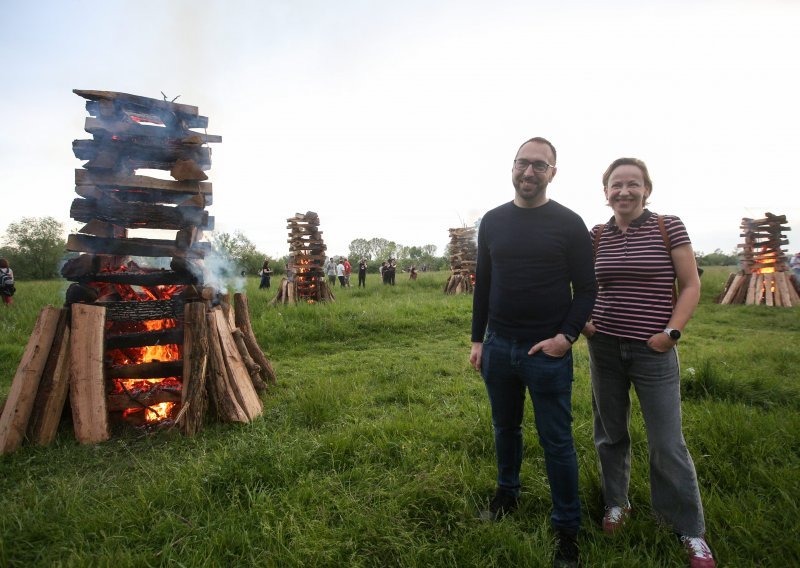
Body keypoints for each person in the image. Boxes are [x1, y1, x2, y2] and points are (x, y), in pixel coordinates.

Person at [470, 137, 596, 568]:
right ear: (512, 167)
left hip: (548, 351)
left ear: (552, 173)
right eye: (523, 163)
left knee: (557, 441)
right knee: (505, 428)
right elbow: (483, 285)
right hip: (499, 346)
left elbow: (588, 289)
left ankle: (567, 529)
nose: (529, 172)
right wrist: (477, 341)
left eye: (539, 165)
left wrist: (566, 337)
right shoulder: (492, 221)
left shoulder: (569, 223)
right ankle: (507, 494)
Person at [582, 157, 715, 568]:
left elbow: (691, 284)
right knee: (610, 433)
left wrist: (671, 333)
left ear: (646, 190)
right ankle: (617, 504)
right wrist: (585, 323)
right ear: (605, 193)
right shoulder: (597, 234)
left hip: (654, 350)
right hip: (604, 347)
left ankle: (689, 529)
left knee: (667, 442)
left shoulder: (667, 226)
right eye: (616, 185)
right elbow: (584, 283)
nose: (624, 191)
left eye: (632, 184)